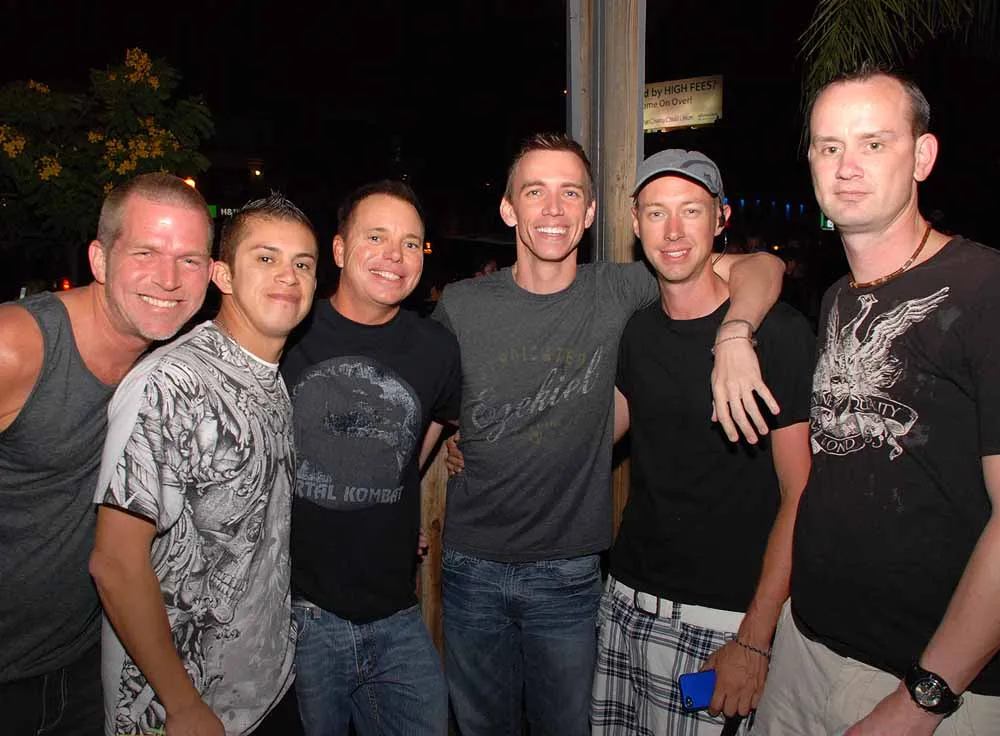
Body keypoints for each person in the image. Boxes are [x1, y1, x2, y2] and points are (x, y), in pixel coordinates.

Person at [432, 132, 785, 735]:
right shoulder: (462, 304)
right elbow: (431, 403)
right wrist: (449, 438)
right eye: (535, 192)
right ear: (508, 208)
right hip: (471, 568)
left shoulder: (623, 289)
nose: (553, 208)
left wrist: (735, 332)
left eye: (570, 193)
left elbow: (762, 265)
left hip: (569, 573)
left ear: (592, 212)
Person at [753, 66, 1000, 734]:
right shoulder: (840, 295)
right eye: (829, 146)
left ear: (922, 156)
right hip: (807, 648)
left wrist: (923, 698)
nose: (847, 166)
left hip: (926, 684)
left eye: (873, 143)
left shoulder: (984, 288)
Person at [589, 149, 814, 735]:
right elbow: (593, 440)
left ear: (721, 219)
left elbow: (802, 495)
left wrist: (755, 639)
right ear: (635, 224)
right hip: (625, 602)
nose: (673, 230)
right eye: (656, 212)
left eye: (691, 210)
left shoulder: (778, 334)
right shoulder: (638, 333)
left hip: (722, 623)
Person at [89, 193, 318, 735]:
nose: (287, 276)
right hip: (175, 709)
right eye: (266, 258)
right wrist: (182, 705)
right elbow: (115, 563)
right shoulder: (172, 383)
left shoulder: (272, 378)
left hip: (264, 688)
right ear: (224, 275)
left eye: (302, 264)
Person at [0, 173, 214, 735]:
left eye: (189, 260)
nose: (169, 279)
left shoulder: (168, 366)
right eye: (146, 253)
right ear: (99, 259)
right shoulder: (17, 346)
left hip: (82, 665)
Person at [281, 180, 461, 735]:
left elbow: (438, 420)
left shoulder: (436, 348)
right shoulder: (287, 333)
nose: (394, 256)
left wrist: (393, 483)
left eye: (410, 243)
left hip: (396, 612)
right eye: (376, 237)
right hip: (300, 614)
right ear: (339, 250)